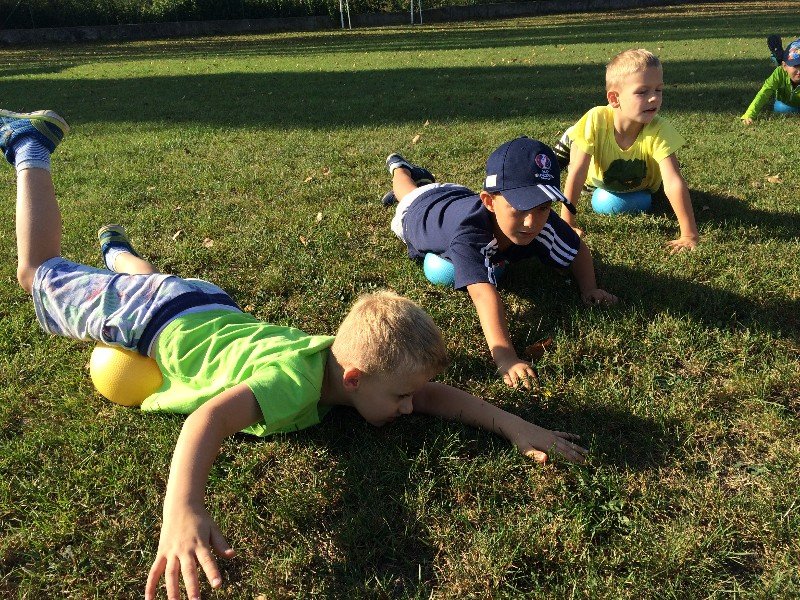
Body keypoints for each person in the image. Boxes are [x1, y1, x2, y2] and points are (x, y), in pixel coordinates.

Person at [0, 109, 589, 599]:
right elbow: (206, 421)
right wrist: (181, 512)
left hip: (205, 306)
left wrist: (514, 426)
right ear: (353, 378)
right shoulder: (293, 382)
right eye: (401, 398)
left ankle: (118, 256)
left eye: (408, 397)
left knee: (149, 280)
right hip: (154, 320)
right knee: (36, 274)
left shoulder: (348, 365)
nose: (411, 407)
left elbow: (433, 394)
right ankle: (31, 147)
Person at [383, 136, 617, 389]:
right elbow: (483, 294)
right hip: (419, 210)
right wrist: (506, 358)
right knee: (407, 191)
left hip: (459, 195)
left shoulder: (541, 221)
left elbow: (577, 249)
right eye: (520, 207)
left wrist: (589, 288)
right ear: (490, 202)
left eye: (542, 207)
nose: (531, 222)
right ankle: (399, 167)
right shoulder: (469, 234)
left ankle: (419, 178)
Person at [553, 48, 700, 252]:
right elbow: (577, 172)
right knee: (570, 146)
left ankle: (572, 136)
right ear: (614, 99)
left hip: (642, 188)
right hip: (594, 183)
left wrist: (689, 234)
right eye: (642, 92)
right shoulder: (596, 120)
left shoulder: (659, 129)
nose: (654, 98)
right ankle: (564, 145)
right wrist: (567, 222)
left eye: (658, 90)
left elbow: (673, 180)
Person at [741, 36, 800, 124]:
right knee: (781, 108)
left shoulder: (789, 68)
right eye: (795, 66)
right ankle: (777, 55)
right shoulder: (779, 73)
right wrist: (749, 115)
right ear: (784, 66)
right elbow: (764, 92)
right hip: (784, 103)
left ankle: (779, 55)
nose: (799, 71)